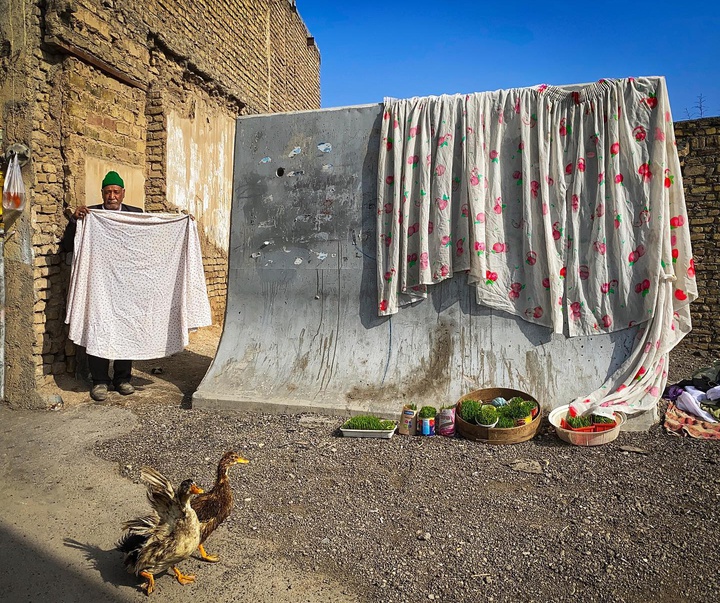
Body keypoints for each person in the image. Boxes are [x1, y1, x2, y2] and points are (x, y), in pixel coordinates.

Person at [62, 171, 142, 402]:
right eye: (108, 191)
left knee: (126, 328)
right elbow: (68, 246)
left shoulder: (136, 215)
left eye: (116, 191)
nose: (112, 196)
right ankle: (99, 381)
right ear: (102, 194)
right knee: (98, 328)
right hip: (99, 285)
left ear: (123, 193)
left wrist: (183, 224)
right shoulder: (90, 215)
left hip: (127, 286)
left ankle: (122, 378)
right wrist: (75, 221)